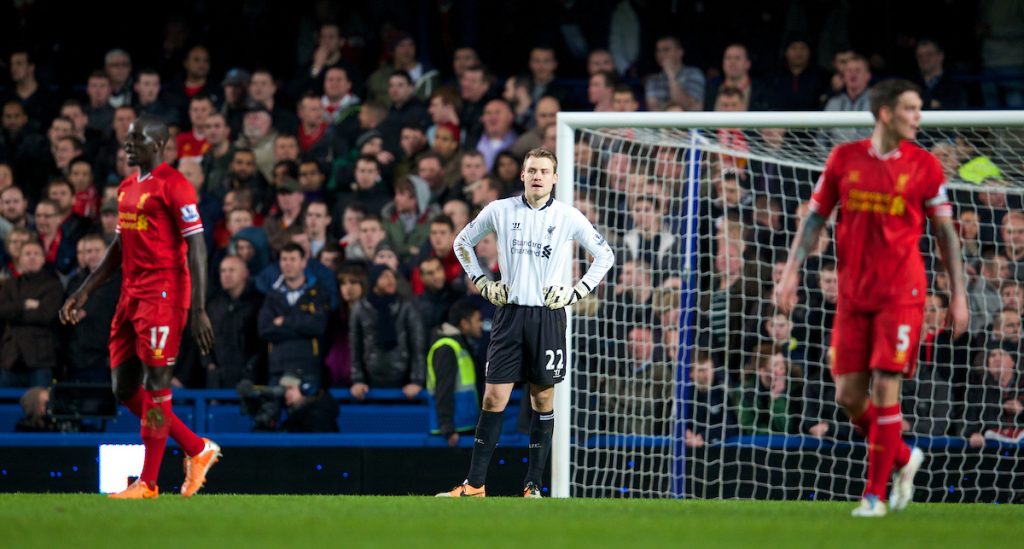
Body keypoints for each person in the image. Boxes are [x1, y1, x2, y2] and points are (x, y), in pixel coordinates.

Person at [774, 80, 969, 517]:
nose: (919, 117)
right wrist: (789, 275)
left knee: (885, 385)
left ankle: (874, 497)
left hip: (903, 293)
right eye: (911, 109)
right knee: (847, 396)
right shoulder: (844, 159)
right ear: (885, 113)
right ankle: (902, 456)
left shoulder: (926, 166)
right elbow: (814, 221)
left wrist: (958, 296)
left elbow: (946, 235)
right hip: (853, 294)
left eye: (919, 108)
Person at [59, 115, 221, 499]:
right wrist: (85, 289)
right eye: (128, 139)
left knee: (157, 385)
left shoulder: (176, 186)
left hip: (164, 295)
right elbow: (119, 246)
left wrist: (198, 309)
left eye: (137, 139)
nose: (129, 145)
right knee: (124, 387)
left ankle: (147, 483)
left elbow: (197, 246)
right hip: (130, 294)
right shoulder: (128, 186)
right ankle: (197, 449)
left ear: (160, 144)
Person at [438, 148, 614, 498]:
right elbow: (462, 242)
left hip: (548, 316)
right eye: (531, 169)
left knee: (543, 399)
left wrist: (576, 292)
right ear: (522, 175)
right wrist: (483, 281)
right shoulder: (500, 210)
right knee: (493, 398)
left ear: (554, 178)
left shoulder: (568, 216)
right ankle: (474, 485)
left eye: (544, 171)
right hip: (510, 314)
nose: (537, 176)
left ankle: (533, 485)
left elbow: (605, 255)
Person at [0, 241, 62, 388]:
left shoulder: (53, 285)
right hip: (11, 356)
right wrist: (25, 305)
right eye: (27, 254)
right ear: (19, 259)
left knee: (41, 406)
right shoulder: (10, 284)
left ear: (43, 259)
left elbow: (46, 315)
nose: (32, 257)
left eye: (36, 254)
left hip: (40, 357)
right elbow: (2, 311)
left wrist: (14, 312)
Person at [427, 300, 483, 447]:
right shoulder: (447, 348)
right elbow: (443, 389)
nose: (481, 324)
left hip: (463, 426)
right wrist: (447, 428)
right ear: (464, 323)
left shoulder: (461, 345)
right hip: (452, 434)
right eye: (478, 320)